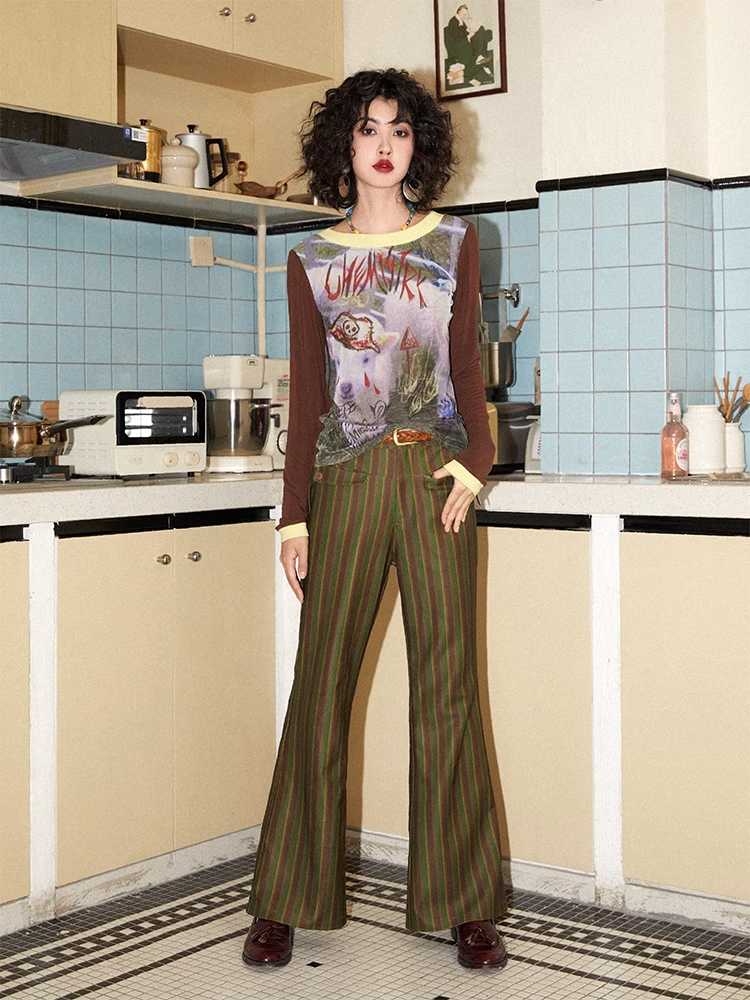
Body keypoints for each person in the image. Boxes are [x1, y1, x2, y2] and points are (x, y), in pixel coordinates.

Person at [241, 67, 508, 973]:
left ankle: (464, 905)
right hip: (346, 480)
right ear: (344, 147)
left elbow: (467, 368)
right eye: (367, 129)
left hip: (435, 480)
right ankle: (284, 899)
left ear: (417, 143)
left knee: (449, 687)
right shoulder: (310, 260)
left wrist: (476, 462)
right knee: (320, 683)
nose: (384, 144)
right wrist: (294, 519)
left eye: (398, 128)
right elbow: (308, 392)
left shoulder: (456, 242)